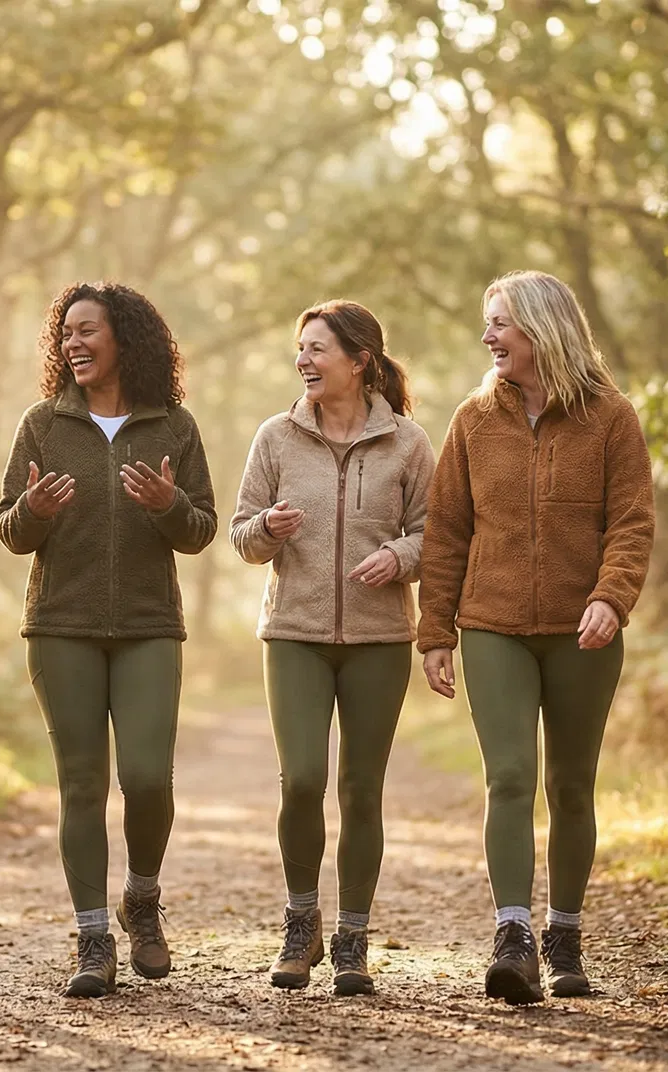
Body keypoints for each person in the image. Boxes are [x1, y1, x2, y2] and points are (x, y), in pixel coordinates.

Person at [416, 270, 654, 1005]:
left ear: (543, 329)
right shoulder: (472, 420)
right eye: (488, 324)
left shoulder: (611, 417)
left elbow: (632, 523)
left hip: (583, 631)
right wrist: (434, 631)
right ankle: (513, 936)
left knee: (571, 785)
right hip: (492, 625)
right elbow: (447, 531)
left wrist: (611, 599)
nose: (489, 337)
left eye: (501, 324)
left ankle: (566, 935)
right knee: (511, 776)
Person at [0, 281, 218, 998]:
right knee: (82, 786)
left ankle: (142, 897)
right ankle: (92, 939)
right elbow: (9, 530)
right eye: (65, 334)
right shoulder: (43, 424)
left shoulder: (173, 426)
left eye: (87, 330)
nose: (73, 343)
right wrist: (31, 510)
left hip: (150, 625)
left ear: (126, 337)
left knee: (148, 778)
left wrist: (168, 504)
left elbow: (202, 529)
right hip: (62, 625)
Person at [228, 300, 433, 997]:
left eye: (318, 349)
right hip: (294, 634)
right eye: (300, 349)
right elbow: (240, 534)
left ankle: (351, 938)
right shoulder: (276, 438)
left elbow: (437, 532)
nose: (304, 361)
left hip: (379, 638)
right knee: (304, 780)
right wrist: (269, 528)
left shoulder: (407, 443)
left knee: (361, 788)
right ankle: (298, 921)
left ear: (359, 361)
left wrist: (400, 557)